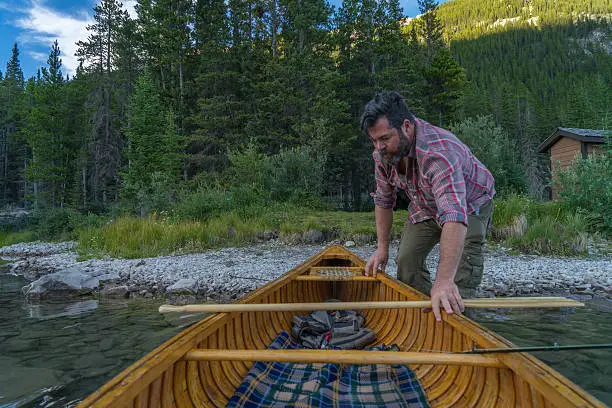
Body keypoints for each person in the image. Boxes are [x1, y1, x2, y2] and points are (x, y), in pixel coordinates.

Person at [361, 91, 495, 321]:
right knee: (406, 261)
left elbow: (453, 214)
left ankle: (456, 315)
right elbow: (384, 199)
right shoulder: (382, 155)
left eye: (384, 139)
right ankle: (425, 316)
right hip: (425, 203)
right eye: (374, 140)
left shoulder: (438, 153)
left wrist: (443, 281)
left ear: (406, 126)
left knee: (458, 279)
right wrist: (382, 247)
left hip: (470, 205)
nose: (378, 147)